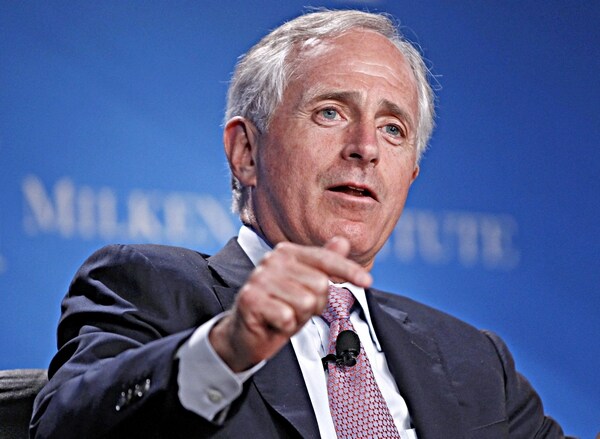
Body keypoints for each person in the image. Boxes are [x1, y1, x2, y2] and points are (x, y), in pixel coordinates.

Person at [30, 9, 566, 439]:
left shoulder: (473, 360)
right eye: (330, 112)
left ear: (410, 176)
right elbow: (62, 426)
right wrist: (225, 349)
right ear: (246, 152)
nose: (366, 148)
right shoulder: (152, 286)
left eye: (393, 128)